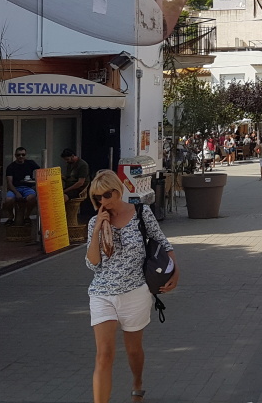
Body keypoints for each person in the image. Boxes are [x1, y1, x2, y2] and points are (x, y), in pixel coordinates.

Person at [85, 170, 177, 403]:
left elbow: (162, 243)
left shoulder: (141, 213)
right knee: (104, 355)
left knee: (134, 350)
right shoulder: (96, 222)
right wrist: (97, 230)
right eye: (97, 197)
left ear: (118, 190)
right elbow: (92, 263)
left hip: (135, 292)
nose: (103, 201)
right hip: (102, 293)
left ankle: (137, 383)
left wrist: (175, 271)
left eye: (107, 195)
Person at [2, 148, 41, 224]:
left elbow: (40, 172)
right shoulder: (11, 167)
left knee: (32, 198)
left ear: (25, 155)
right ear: (15, 155)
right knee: (8, 200)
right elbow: (9, 183)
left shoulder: (30, 163)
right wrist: (16, 193)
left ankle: (27, 216)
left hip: (28, 188)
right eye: (18, 155)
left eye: (23, 154)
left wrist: (35, 182)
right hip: (15, 188)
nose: (21, 156)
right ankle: (10, 216)